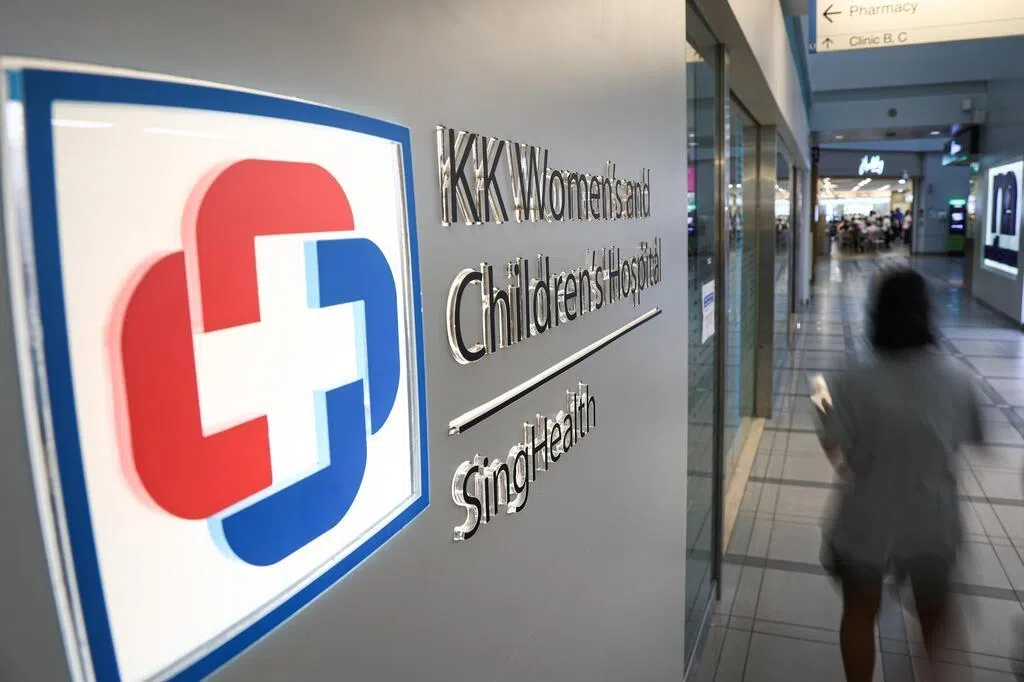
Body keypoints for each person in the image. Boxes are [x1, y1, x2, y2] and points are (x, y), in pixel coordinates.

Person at [814, 268, 986, 682]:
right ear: (928, 312)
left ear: (876, 314)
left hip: (867, 515)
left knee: (859, 613)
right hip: (934, 517)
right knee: (935, 622)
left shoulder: (850, 378)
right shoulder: (958, 378)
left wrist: (822, 401)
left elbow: (832, 439)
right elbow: (972, 437)